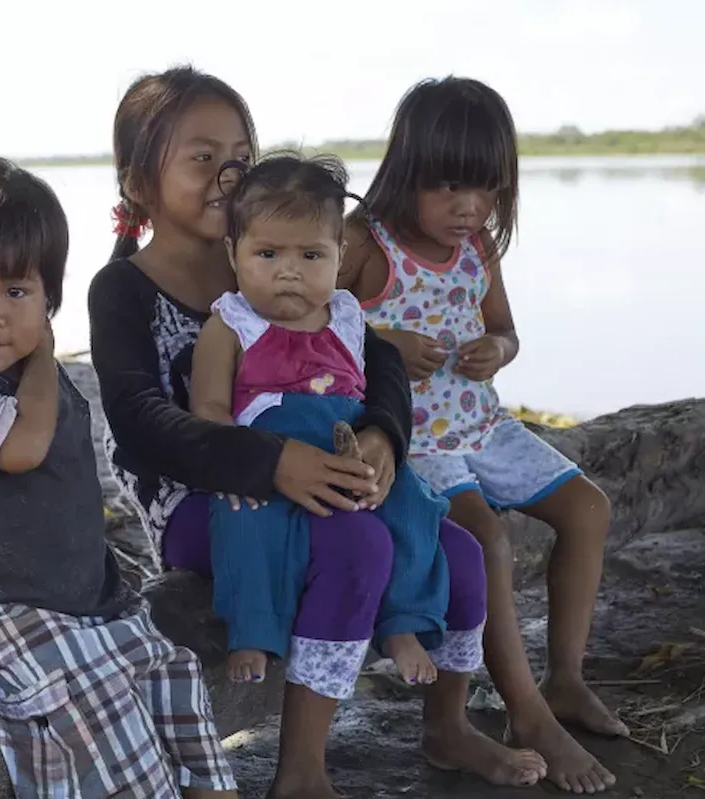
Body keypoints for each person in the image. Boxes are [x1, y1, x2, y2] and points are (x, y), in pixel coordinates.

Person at [88, 66, 547, 799]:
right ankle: (301, 766)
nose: (225, 174)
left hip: (321, 468)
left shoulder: (288, 252)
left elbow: (378, 358)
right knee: (358, 539)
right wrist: (270, 463)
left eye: (239, 155)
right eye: (200, 157)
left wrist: (384, 437)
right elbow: (141, 424)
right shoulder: (124, 289)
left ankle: (448, 724)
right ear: (140, 182)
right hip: (208, 500)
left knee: (457, 553)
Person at [0, 156, 238, 798]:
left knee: (169, 669)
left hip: (77, 592)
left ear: (49, 296)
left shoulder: (39, 380)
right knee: (86, 697)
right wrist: (46, 354)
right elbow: (24, 449)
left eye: (15, 292)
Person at [340, 75, 622, 794]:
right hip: (417, 440)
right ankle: (522, 713)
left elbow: (506, 330)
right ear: (406, 174)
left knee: (588, 508)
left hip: (481, 423)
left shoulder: (479, 250)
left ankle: (563, 678)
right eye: (448, 188)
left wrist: (499, 349)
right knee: (484, 540)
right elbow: (312, 316)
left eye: (487, 190)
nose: (469, 208)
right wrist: (386, 341)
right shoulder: (365, 244)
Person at [190, 152, 484, 693]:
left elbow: (376, 393)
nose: (288, 270)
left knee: (415, 509)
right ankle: (253, 630)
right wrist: (237, 463)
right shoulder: (230, 323)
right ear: (234, 253)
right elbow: (208, 407)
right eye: (267, 253)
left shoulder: (349, 317)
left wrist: (383, 447)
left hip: (348, 451)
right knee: (243, 522)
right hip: (271, 455)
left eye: (310, 254)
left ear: (339, 254)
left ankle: (403, 623)